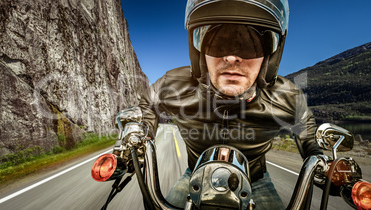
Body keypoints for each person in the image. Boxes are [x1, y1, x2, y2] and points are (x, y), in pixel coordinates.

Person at [138, 0, 323, 209]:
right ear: (200, 52)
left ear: (269, 56)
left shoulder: (287, 95)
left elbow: (307, 132)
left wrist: (322, 161)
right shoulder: (174, 84)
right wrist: (140, 137)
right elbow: (148, 104)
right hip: (196, 176)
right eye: (219, 44)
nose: (232, 57)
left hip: (256, 181)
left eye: (248, 45)